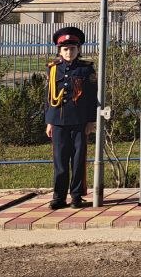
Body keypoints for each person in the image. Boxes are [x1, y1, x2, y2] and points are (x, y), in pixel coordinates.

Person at [45, 26, 98, 209]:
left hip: (79, 121)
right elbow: (49, 96)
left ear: (79, 49)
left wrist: (91, 121)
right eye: (65, 49)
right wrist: (49, 121)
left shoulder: (86, 70)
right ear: (60, 51)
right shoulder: (53, 69)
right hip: (58, 122)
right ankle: (59, 197)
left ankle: (76, 196)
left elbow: (92, 96)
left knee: (78, 160)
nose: (69, 52)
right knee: (60, 160)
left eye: (73, 49)